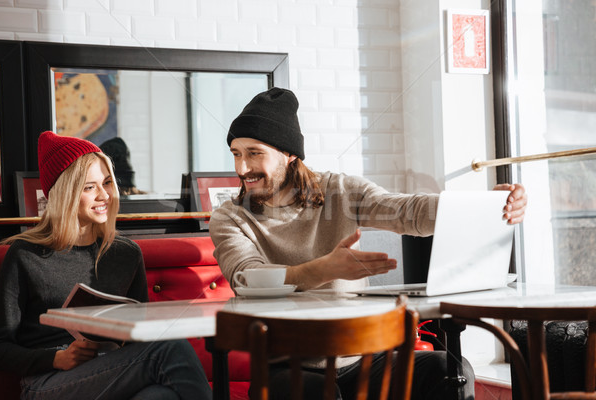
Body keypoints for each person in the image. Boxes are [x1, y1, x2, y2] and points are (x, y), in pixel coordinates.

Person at [209, 88, 528, 400]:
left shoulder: (339, 190)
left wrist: (487, 205)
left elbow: (406, 212)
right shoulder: (229, 218)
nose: (241, 169)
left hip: (364, 359)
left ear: (289, 154)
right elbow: (245, 278)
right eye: (236, 154)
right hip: (288, 367)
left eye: (254, 153)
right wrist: (322, 270)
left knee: (448, 370)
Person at [0, 131, 212, 400]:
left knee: (160, 396)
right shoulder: (26, 255)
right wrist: (57, 358)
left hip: (113, 370)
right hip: (47, 382)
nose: (104, 195)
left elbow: (139, 337)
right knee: (170, 349)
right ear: (65, 194)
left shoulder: (125, 253)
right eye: (90, 187)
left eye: (107, 182)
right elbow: (0, 346)